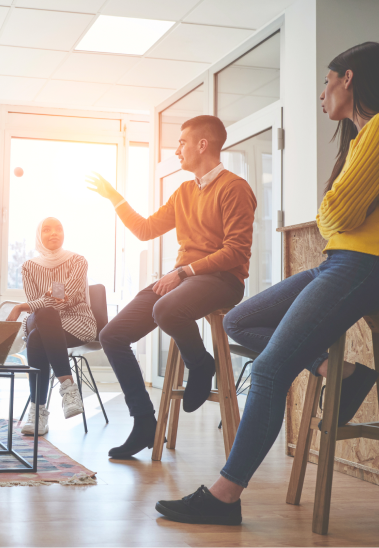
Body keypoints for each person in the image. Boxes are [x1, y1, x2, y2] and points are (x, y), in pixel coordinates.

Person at [155, 42, 379, 527]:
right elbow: (331, 217)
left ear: (349, 79)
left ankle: (225, 495)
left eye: (326, 82)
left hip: (361, 264)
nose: (322, 94)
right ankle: (336, 371)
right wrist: (333, 211)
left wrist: (333, 210)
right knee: (240, 320)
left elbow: (333, 213)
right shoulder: (360, 140)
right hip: (338, 261)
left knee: (273, 369)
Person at [87, 114, 257, 459]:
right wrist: (114, 197)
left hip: (223, 280)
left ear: (202, 145)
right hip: (186, 278)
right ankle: (144, 423)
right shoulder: (183, 192)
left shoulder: (234, 187)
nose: (177, 150)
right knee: (112, 335)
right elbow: (146, 229)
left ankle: (200, 363)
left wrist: (183, 272)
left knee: (165, 309)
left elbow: (236, 251)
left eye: (182, 142)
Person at [5, 217, 95, 435]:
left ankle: (38, 413)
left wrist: (21, 307)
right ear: (39, 236)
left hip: (77, 322)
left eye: (58, 229)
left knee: (38, 332)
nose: (53, 233)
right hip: (45, 322)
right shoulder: (29, 267)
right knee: (43, 322)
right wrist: (48, 298)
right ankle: (68, 390)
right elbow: (44, 306)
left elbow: (68, 297)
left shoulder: (78, 261)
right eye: (47, 230)